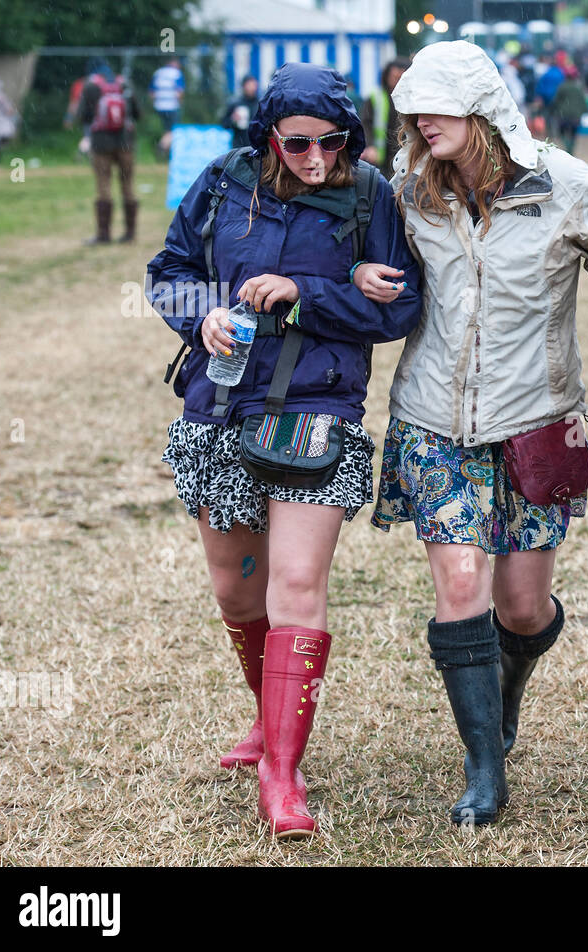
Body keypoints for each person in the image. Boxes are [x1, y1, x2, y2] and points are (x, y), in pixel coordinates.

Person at [350, 41, 588, 827]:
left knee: (521, 607)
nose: (418, 120)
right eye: (412, 109)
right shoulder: (408, 192)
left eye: (435, 106)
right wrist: (354, 277)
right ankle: (483, 767)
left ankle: (506, 689)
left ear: (481, 110)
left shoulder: (564, 185)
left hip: (538, 423)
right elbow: (353, 257)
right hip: (434, 420)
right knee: (462, 585)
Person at [146, 63, 421, 838]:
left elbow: (401, 309)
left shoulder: (371, 196)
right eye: (299, 142)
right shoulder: (224, 182)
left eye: (334, 141)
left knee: (296, 586)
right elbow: (167, 272)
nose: (317, 158)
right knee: (239, 595)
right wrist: (198, 316)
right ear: (269, 135)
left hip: (318, 408)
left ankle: (284, 774)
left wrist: (307, 293)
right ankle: (268, 724)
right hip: (221, 404)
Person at [76, 67, 141, 244]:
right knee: (128, 186)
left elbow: (83, 116)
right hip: (126, 143)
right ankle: (130, 233)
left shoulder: (90, 87)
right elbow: (137, 114)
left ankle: (103, 234)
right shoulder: (125, 84)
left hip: (100, 144)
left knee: (103, 186)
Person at [361, 59, 408, 173]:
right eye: (395, 76)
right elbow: (365, 123)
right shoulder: (376, 97)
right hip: (381, 154)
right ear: (387, 76)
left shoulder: (411, 98)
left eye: (401, 77)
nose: (398, 81)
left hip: (405, 152)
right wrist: (370, 145)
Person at [552, 66, 588, 154]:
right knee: (573, 134)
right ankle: (570, 149)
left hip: (563, 114)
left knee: (562, 132)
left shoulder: (561, 87)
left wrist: (554, 110)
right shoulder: (578, 87)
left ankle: (567, 146)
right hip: (576, 115)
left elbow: (556, 101)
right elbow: (582, 101)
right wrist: (584, 111)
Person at [219, 75, 260, 150]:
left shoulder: (260, 103)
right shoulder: (235, 103)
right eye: (249, 85)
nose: (252, 88)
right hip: (238, 147)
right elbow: (224, 124)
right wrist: (233, 120)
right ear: (244, 86)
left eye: (253, 85)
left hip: (256, 146)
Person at [150, 56, 185, 133]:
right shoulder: (176, 73)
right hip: (172, 106)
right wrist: (180, 104)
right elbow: (179, 92)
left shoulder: (158, 73)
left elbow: (152, 92)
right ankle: (161, 145)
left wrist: (154, 104)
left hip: (159, 106)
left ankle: (164, 143)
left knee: (166, 129)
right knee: (173, 130)